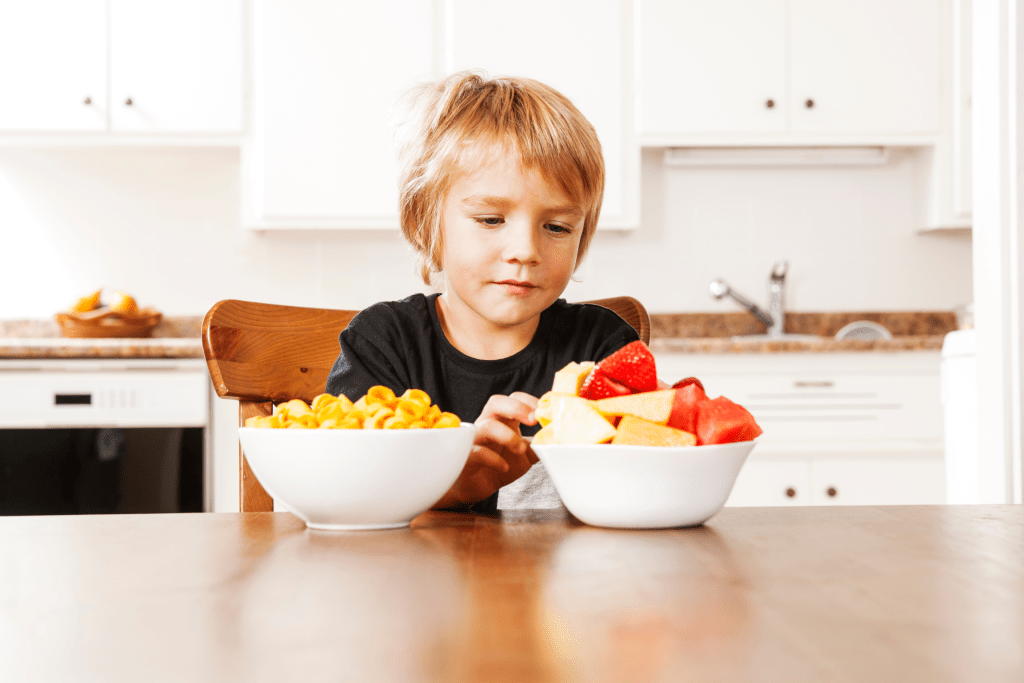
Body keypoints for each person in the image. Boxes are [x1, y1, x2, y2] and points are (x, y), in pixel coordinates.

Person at [325, 71, 639, 512]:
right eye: (491, 220)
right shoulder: (384, 342)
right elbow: (348, 496)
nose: (525, 250)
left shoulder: (601, 346)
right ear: (424, 223)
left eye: (557, 227)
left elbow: (635, 488)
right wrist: (449, 485)